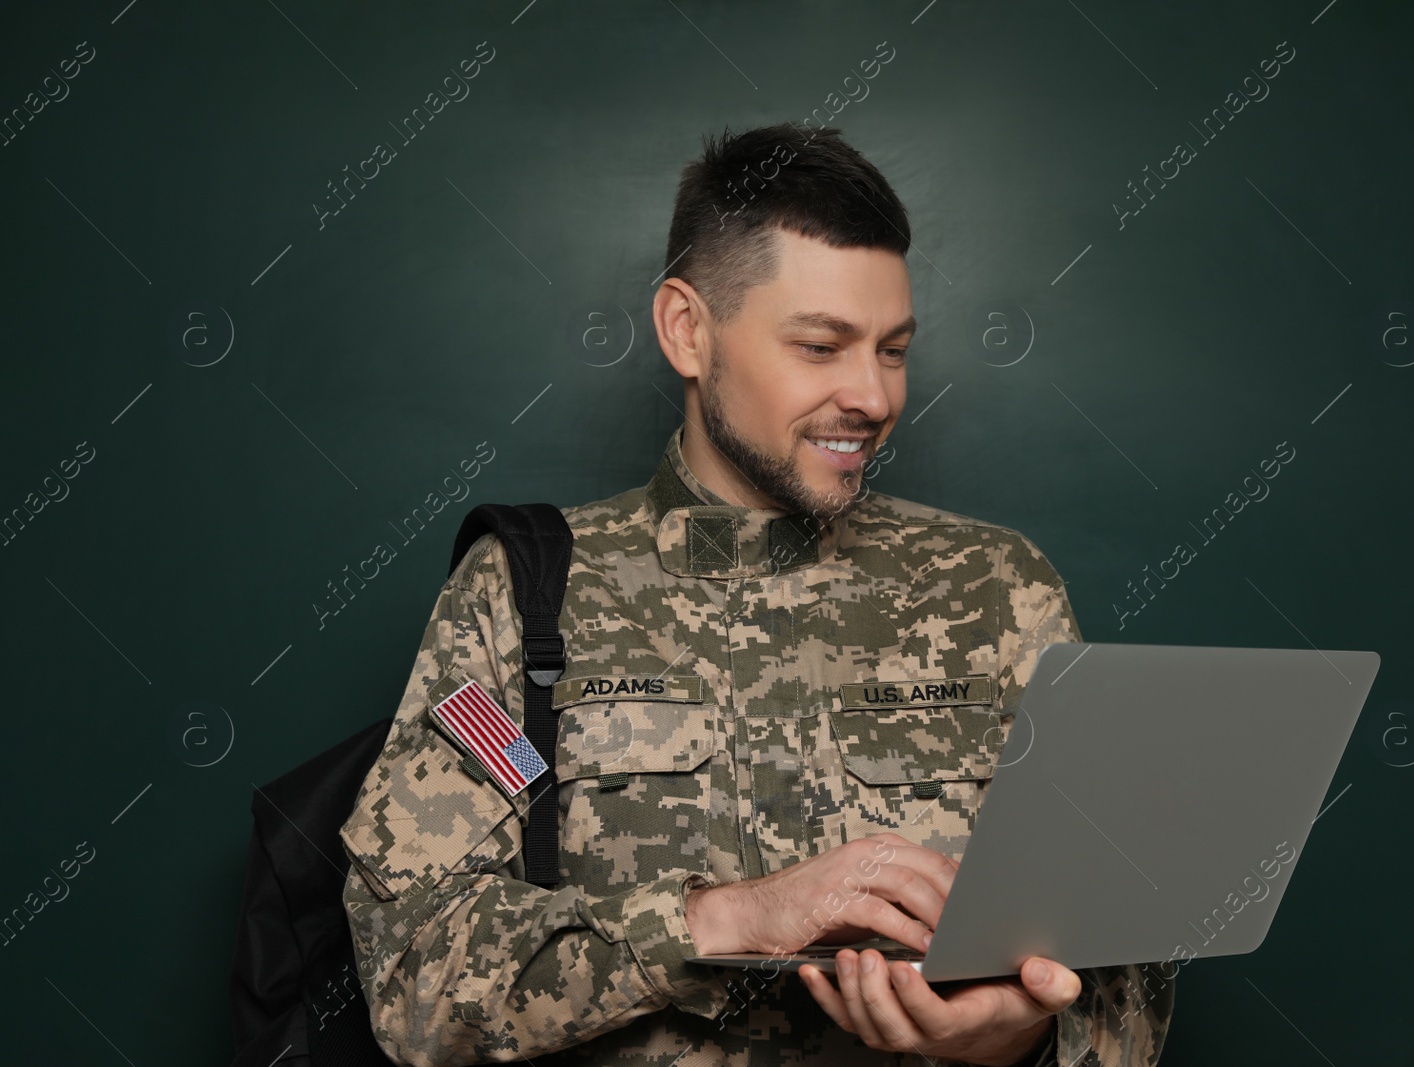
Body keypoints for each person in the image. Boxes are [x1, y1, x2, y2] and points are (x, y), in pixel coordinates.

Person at [339, 123, 1175, 1067]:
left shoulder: (1000, 590)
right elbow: (412, 976)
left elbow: (1127, 971)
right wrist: (730, 917)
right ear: (687, 330)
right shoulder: (527, 592)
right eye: (821, 346)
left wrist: (1018, 1032)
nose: (872, 395)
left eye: (893, 349)